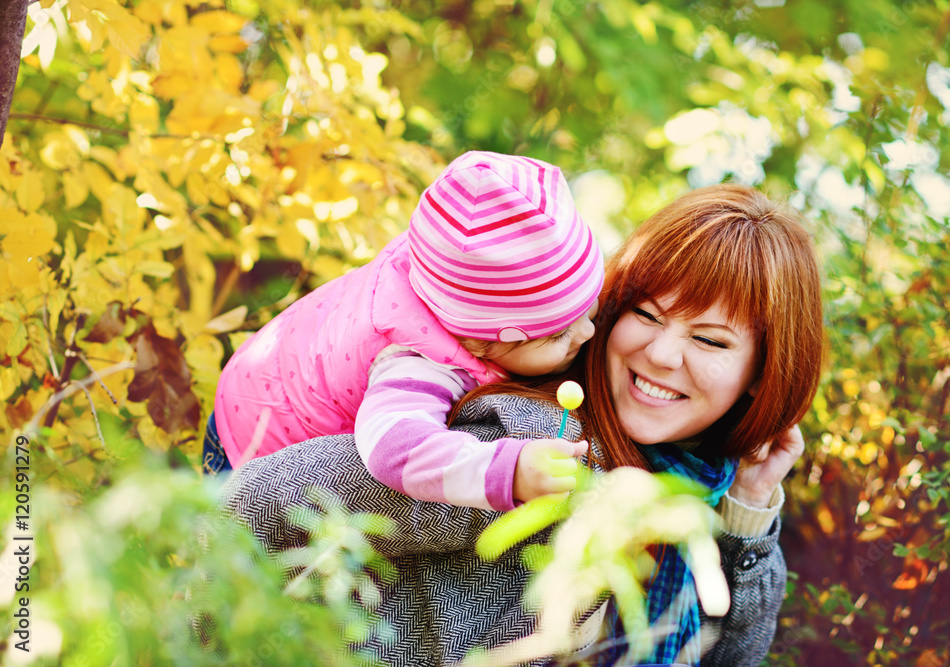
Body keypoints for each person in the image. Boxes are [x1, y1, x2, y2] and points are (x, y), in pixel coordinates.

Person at [213, 183, 824, 666]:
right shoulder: (534, 443)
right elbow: (260, 497)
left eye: (710, 340)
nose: (662, 355)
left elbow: (729, 658)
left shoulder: (700, 479)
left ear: (762, 373)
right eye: (646, 312)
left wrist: (747, 509)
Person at [204, 151, 603, 512]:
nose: (587, 332)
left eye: (589, 305)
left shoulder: (443, 261)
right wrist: (509, 470)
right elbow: (394, 450)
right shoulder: (418, 360)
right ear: (483, 344)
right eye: (557, 336)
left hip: (267, 371)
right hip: (248, 442)